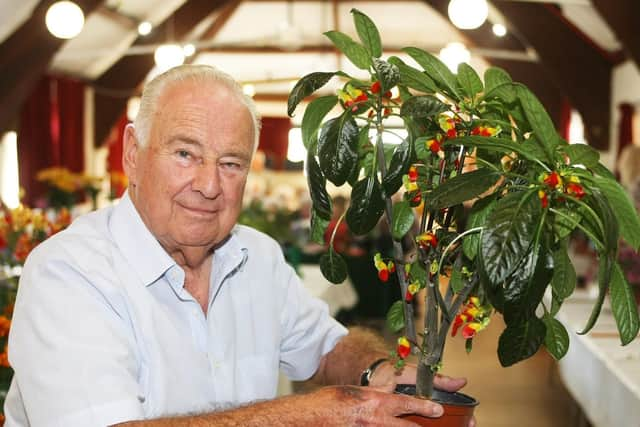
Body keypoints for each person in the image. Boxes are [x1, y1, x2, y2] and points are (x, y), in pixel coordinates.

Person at [5, 65, 474, 426]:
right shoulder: (69, 273)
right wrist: (317, 412)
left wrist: (374, 370)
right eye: (185, 154)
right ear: (132, 152)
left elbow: (326, 347)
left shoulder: (257, 256)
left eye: (231, 163)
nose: (209, 185)